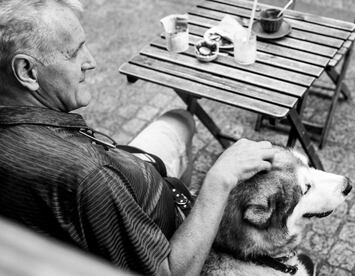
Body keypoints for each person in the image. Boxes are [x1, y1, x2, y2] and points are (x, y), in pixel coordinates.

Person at [0, 1, 278, 275]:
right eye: (74, 53)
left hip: (131, 172)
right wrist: (219, 180)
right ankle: (188, 215)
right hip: (158, 228)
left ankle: (180, 191)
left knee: (180, 120)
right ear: (27, 71)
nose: (91, 62)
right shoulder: (92, 177)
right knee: (185, 127)